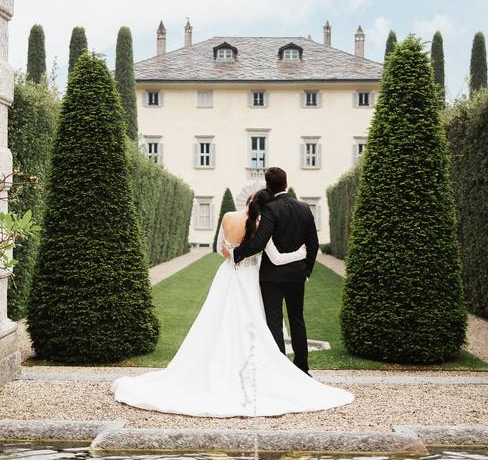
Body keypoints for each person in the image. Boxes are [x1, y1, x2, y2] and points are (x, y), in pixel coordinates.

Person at [111, 185, 352, 417]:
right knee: (254, 322)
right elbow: (274, 257)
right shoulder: (259, 224)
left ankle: (216, 366)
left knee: (217, 319)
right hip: (248, 277)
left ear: (248, 200)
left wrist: (232, 253)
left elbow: (220, 249)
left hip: (227, 274)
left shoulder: (227, 216)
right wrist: (300, 254)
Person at [224, 167, 318, 374]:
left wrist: (236, 254)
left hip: (271, 278)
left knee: (274, 322)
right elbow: (314, 243)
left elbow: (259, 243)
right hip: (296, 276)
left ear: (267, 185)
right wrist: (306, 271)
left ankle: (281, 369)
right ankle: (302, 368)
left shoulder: (270, 209)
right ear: (286, 182)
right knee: (297, 320)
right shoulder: (304, 208)